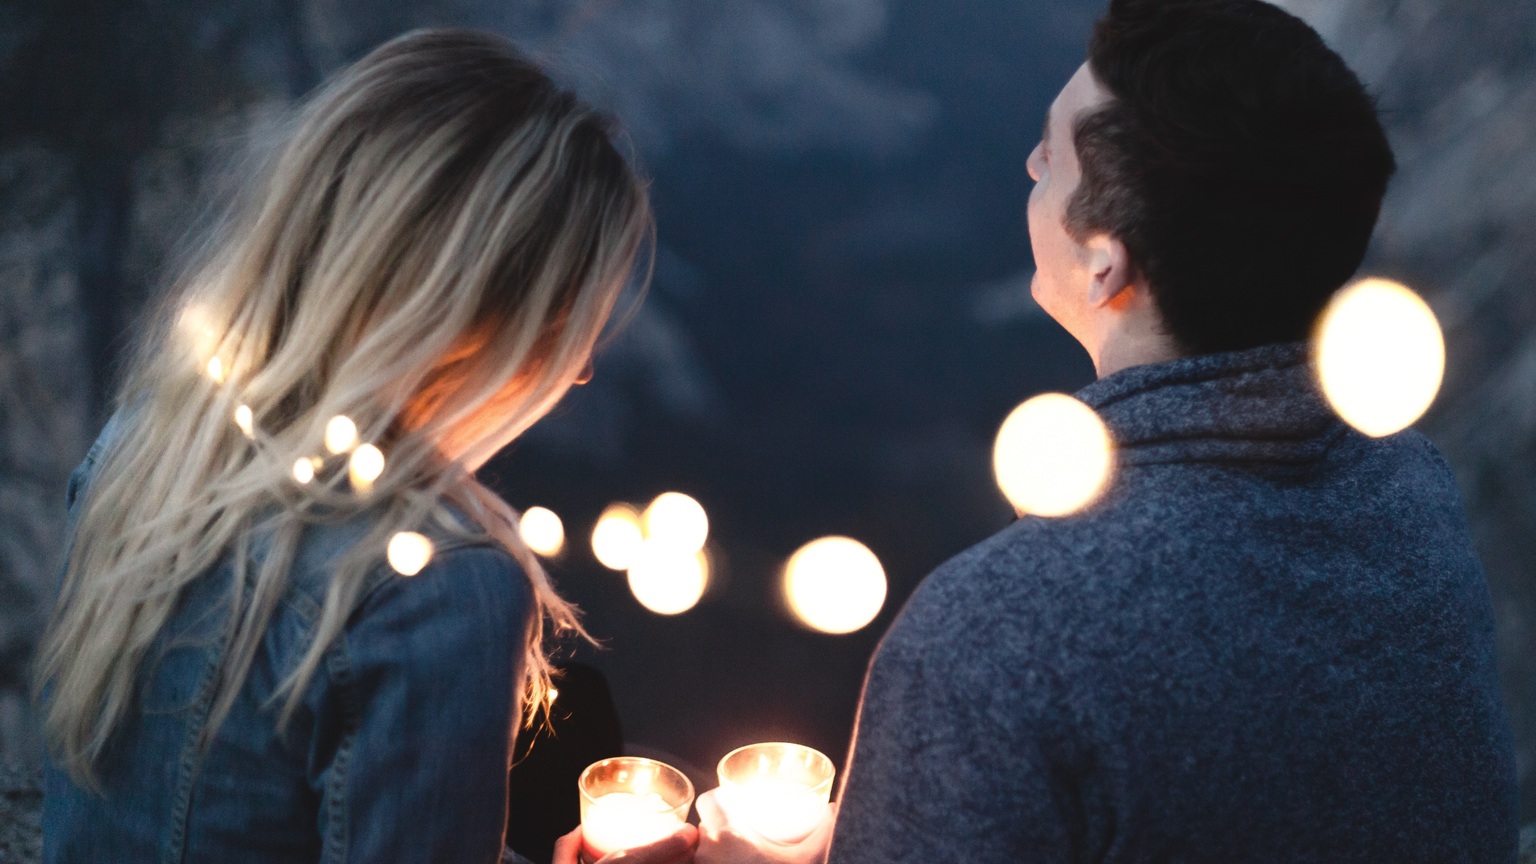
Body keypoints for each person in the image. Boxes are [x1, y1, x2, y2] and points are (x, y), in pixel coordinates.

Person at [702, 0, 1519, 862]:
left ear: (1106, 266)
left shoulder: (990, 639)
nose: (1027, 163)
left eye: (1048, 158)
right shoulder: (1413, 500)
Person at [36, 30, 695, 864]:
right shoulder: (437, 584)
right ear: (473, 315)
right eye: (565, 329)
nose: (580, 372)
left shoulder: (143, 450)